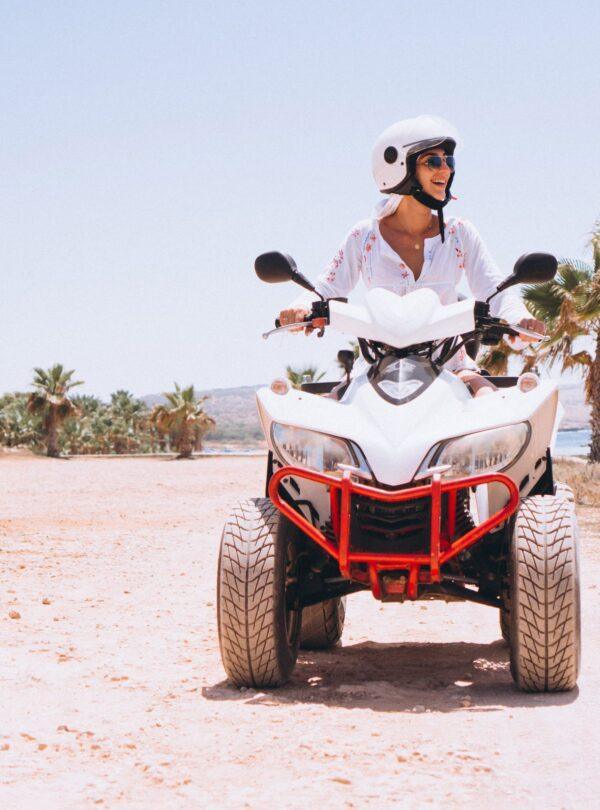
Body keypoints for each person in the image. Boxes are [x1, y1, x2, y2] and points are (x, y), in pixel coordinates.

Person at [278, 115, 544, 396]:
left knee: (490, 405)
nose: (446, 170)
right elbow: (325, 289)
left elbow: (493, 289)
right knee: (327, 421)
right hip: (375, 369)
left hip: (451, 367)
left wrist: (520, 319)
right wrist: (300, 308)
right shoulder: (364, 236)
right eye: (433, 161)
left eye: (448, 161)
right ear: (398, 168)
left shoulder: (459, 234)